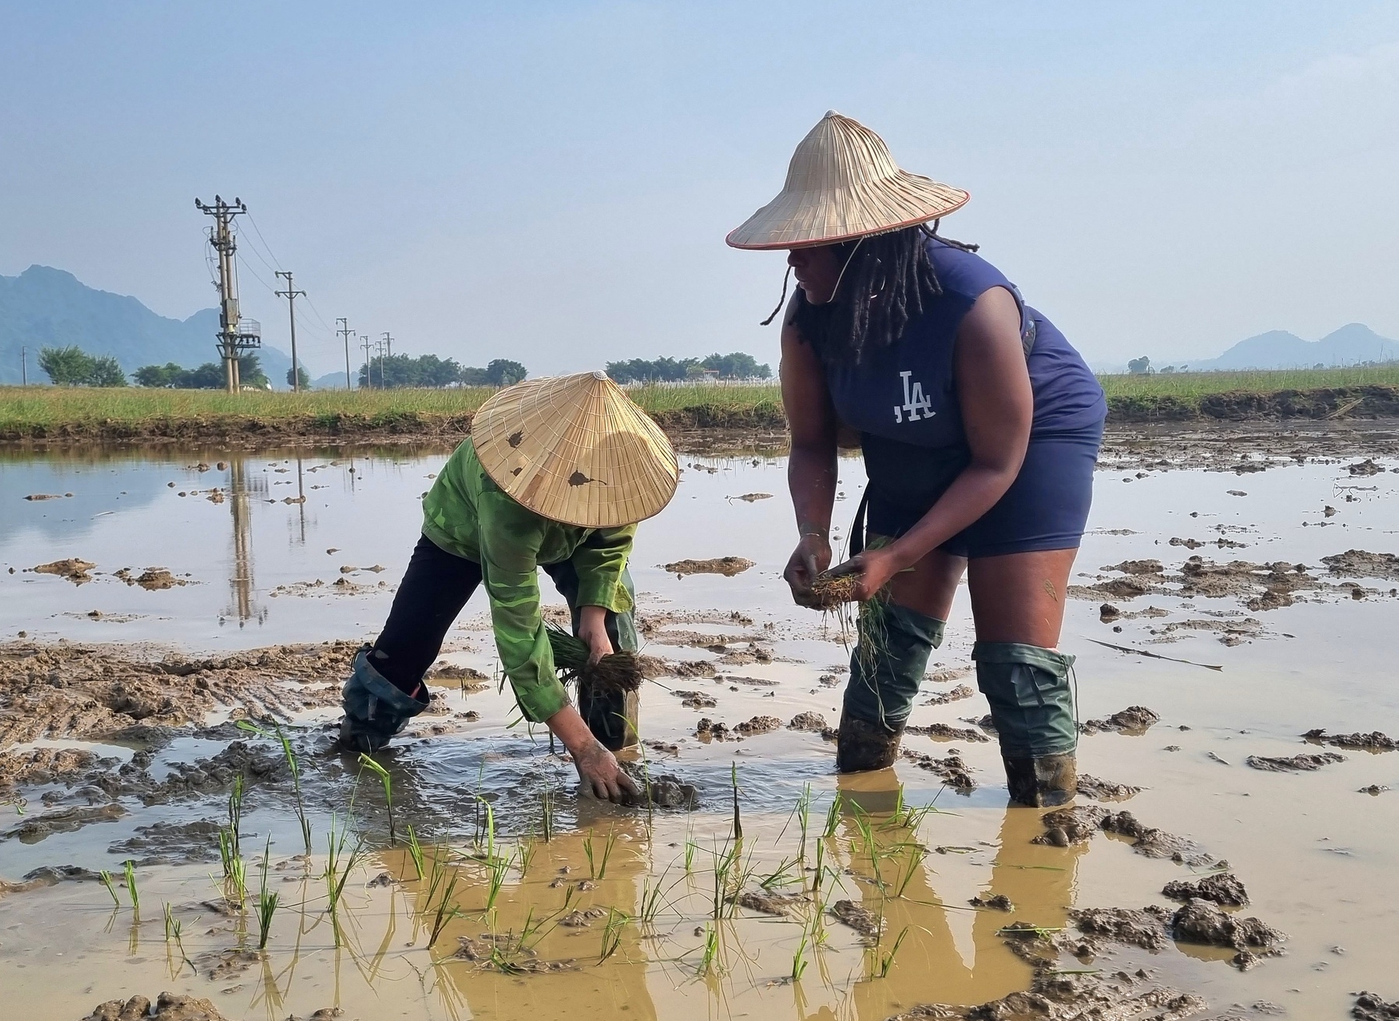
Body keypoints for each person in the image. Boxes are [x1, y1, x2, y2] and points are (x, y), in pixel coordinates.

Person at [728, 111, 1106, 806]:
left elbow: (996, 464)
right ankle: (865, 798)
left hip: (1029, 448)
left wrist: (899, 554)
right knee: (886, 651)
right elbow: (812, 442)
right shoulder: (810, 317)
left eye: (809, 243)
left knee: (1017, 666)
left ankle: (1046, 822)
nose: (792, 258)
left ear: (863, 243)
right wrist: (812, 533)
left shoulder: (971, 305)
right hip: (909, 446)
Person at [334, 370, 678, 801]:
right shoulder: (506, 500)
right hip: (460, 534)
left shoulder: (622, 469)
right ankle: (360, 740)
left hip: (572, 543)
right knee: (406, 649)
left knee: (613, 634)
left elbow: (612, 541)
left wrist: (593, 614)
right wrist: (579, 747)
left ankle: (613, 755)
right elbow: (519, 628)